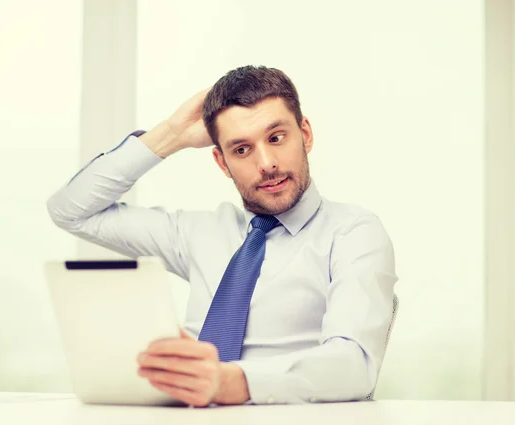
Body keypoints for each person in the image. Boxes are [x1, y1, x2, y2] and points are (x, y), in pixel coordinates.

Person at [47, 65, 398, 407]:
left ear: (305, 134)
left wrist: (235, 382)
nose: (266, 163)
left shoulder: (353, 232)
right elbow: (71, 211)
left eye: (276, 138)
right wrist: (171, 136)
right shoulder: (197, 232)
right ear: (221, 162)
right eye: (241, 149)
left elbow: (355, 363)